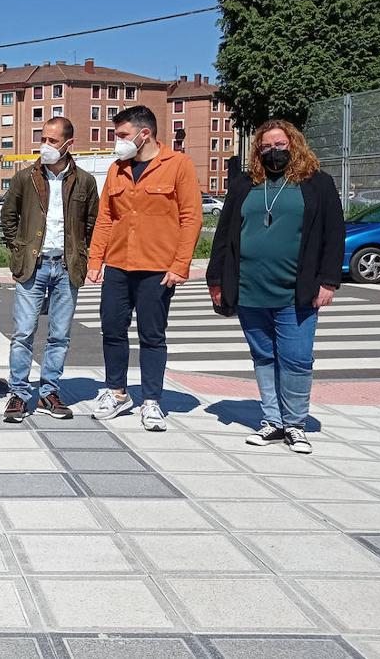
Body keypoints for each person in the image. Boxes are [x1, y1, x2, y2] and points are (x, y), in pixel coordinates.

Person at [207, 120, 344, 454]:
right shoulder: (244, 184)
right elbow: (224, 235)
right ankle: (272, 420)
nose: (273, 152)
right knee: (264, 356)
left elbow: (334, 234)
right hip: (250, 287)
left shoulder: (317, 184)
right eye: (266, 147)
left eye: (279, 145)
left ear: (293, 144)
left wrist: (328, 281)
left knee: (296, 359)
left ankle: (295, 424)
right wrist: (217, 281)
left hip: (297, 290)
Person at [87, 105, 203, 431]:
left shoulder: (178, 165)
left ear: (145, 133)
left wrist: (181, 265)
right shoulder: (116, 169)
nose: (117, 142)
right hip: (119, 266)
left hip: (157, 268)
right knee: (112, 329)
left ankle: (152, 401)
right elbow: (106, 218)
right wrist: (96, 261)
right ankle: (117, 391)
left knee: (152, 335)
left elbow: (191, 217)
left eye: (122, 135)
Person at [1, 117, 99, 423]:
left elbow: (93, 222)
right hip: (34, 265)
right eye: (43, 139)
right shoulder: (24, 178)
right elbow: (8, 217)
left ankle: (48, 393)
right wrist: (18, 248)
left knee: (60, 335)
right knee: (23, 333)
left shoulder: (84, 181)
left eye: (52, 141)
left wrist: (89, 257)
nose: (45, 146)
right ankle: (18, 393)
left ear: (69, 144)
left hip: (67, 266)